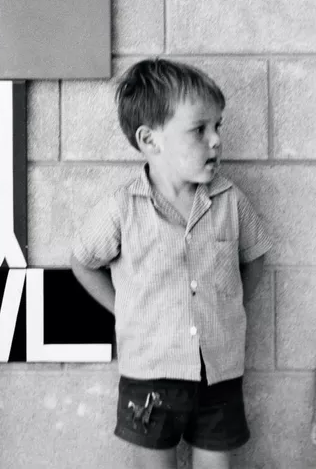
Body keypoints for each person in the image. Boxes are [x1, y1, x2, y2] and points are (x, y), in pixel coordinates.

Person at [71, 58, 272, 469]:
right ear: (150, 140)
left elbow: (255, 260)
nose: (216, 140)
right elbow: (83, 262)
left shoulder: (229, 200)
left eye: (218, 126)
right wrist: (123, 306)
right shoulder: (122, 208)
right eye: (199, 129)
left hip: (219, 374)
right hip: (149, 376)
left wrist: (228, 306)